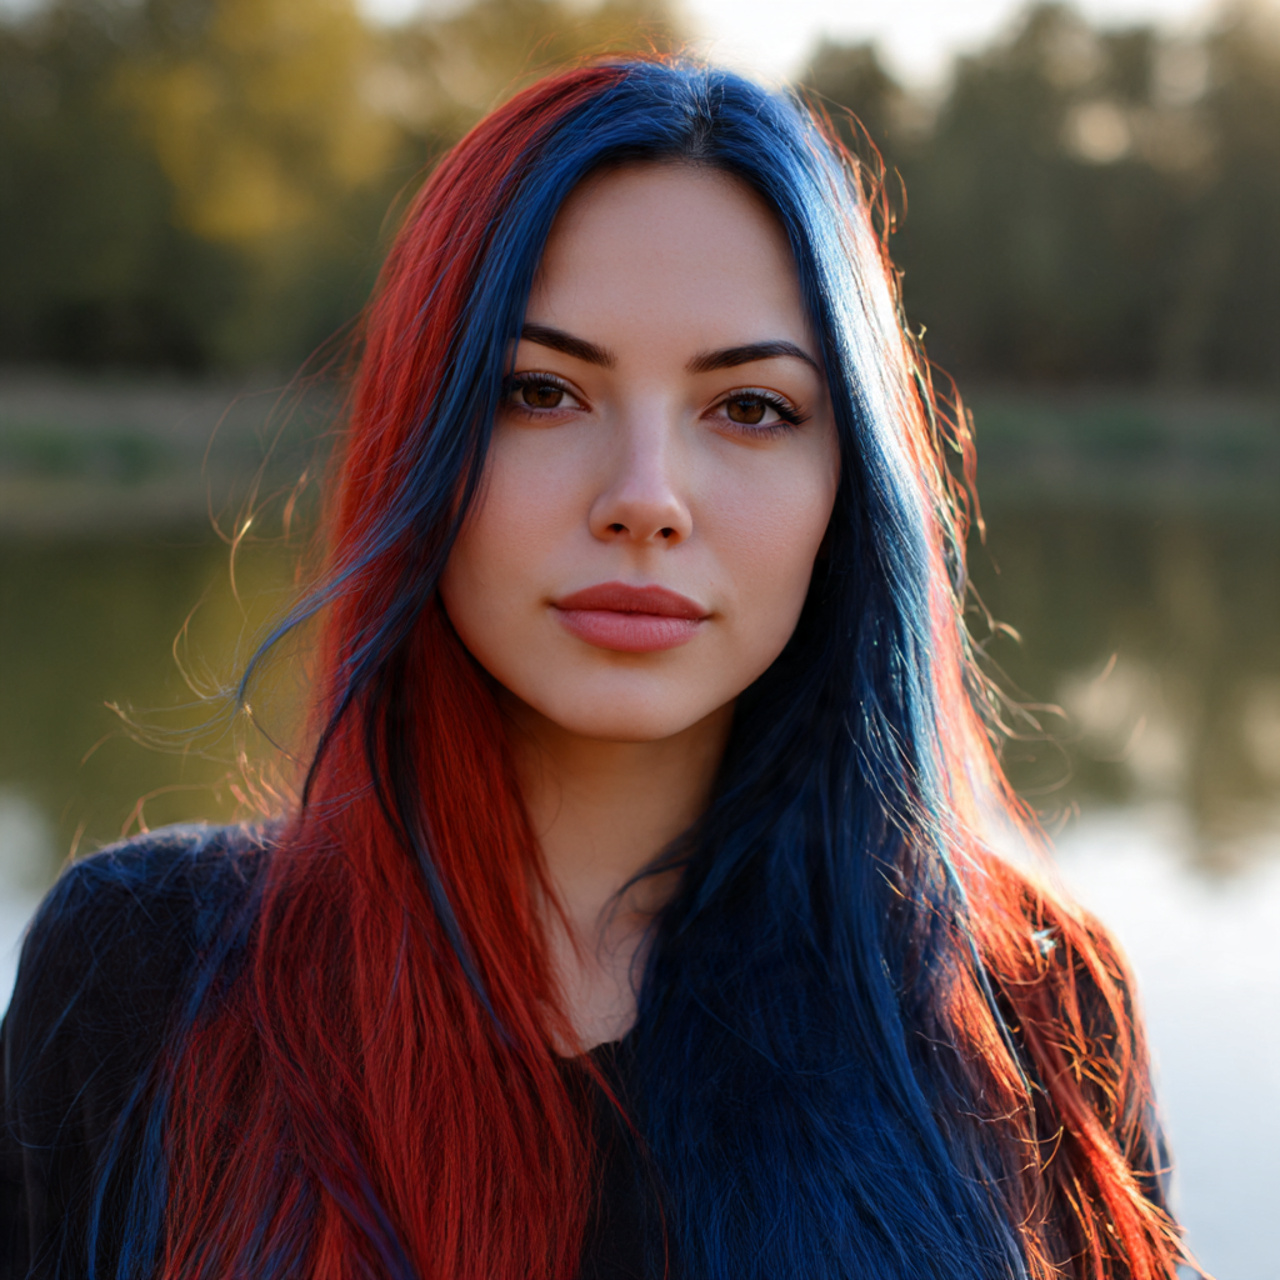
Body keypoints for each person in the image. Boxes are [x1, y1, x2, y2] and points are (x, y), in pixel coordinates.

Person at [1, 58, 1186, 1280]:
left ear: (850, 482)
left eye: (749, 407)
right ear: (425, 433)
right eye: (543, 391)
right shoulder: (143, 975)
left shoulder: (1032, 1011)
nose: (643, 500)